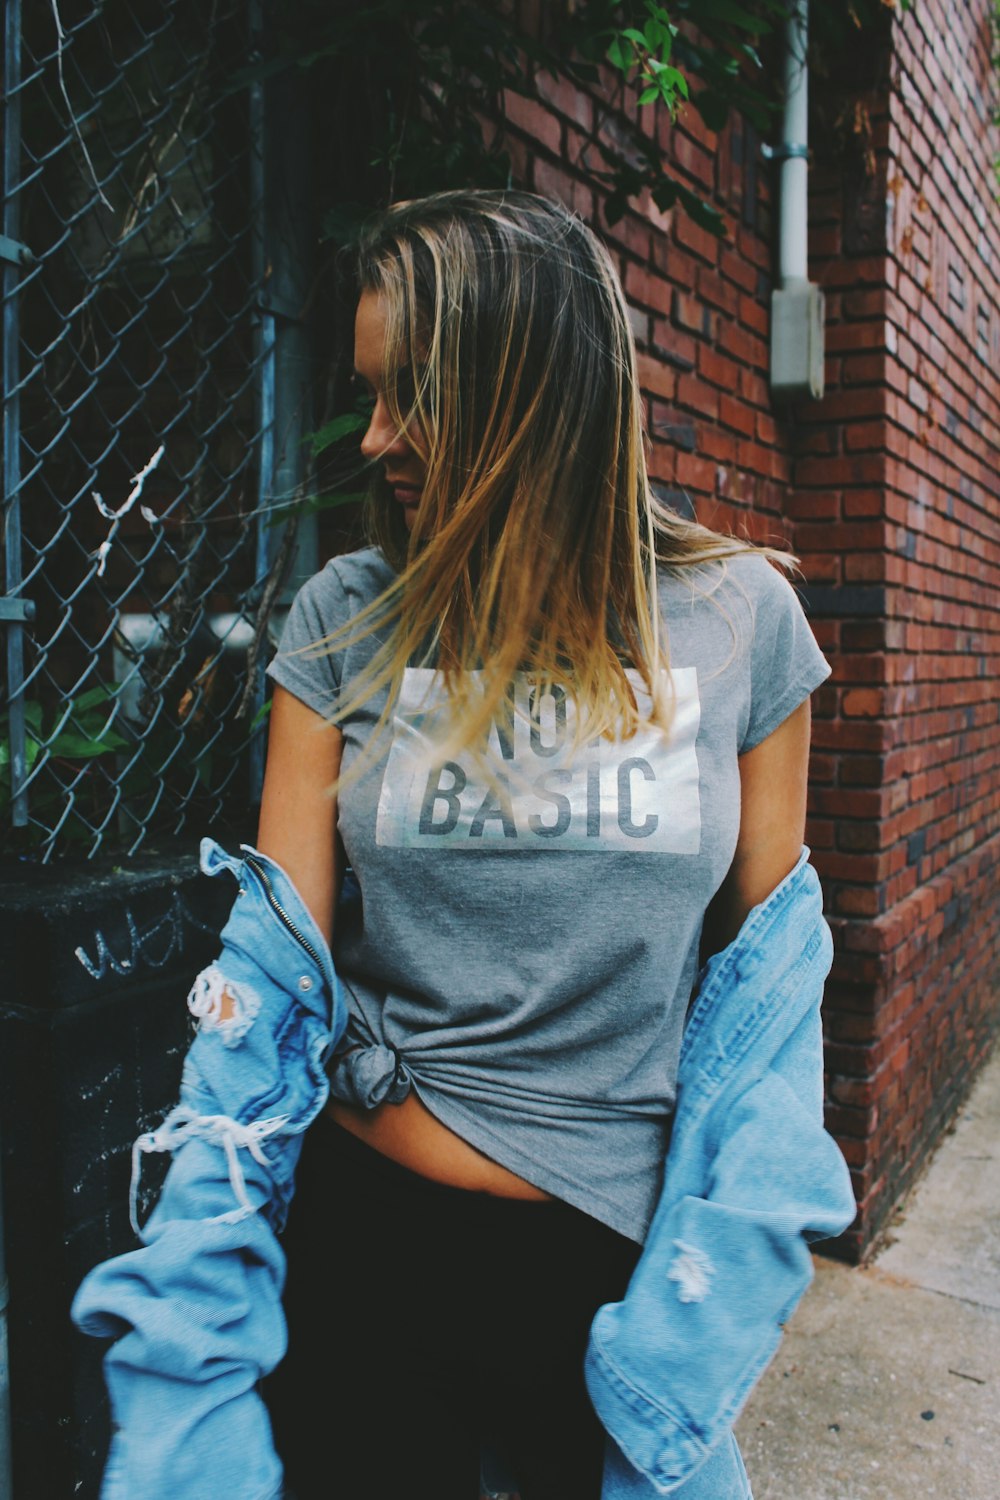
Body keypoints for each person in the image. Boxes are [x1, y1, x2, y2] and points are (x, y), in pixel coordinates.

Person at [254, 188, 836, 1500]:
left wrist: (729, 1270)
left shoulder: (744, 620)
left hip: (618, 1272)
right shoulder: (346, 617)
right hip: (368, 1244)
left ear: (529, 389)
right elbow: (276, 957)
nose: (377, 438)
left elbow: (763, 999)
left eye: (412, 396)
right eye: (368, 395)